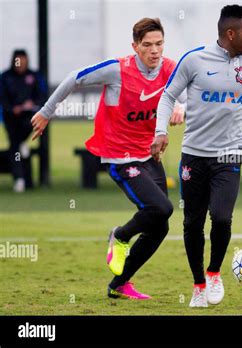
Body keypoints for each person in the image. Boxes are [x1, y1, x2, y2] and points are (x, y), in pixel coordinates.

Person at [31, 17, 185, 299]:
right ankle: (121, 235)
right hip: (120, 157)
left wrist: (179, 108)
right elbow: (75, 77)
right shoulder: (117, 70)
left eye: (159, 44)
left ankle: (119, 284)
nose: (155, 50)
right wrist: (46, 111)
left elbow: (184, 98)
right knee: (162, 209)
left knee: (159, 227)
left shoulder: (169, 69)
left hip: (149, 155)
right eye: (148, 45)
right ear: (135, 46)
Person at [152, 5, 242, 307]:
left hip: (228, 156)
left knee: (223, 218)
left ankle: (214, 273)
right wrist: (161, 131)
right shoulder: (194, 60)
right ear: (230, 33)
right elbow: (167, 96)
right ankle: (198, 284)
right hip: (194, 157)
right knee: (192, 223)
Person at [0, 49, 47, 192]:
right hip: (12, 118)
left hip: (29, 118)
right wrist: (13, 108)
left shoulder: (34, 77)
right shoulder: (6, 77)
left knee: (17, 143)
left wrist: (31, 104)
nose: (20, 65)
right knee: (16, 146)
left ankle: (20, 179)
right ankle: (20, 177)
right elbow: (2, 98)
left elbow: (42, 96)